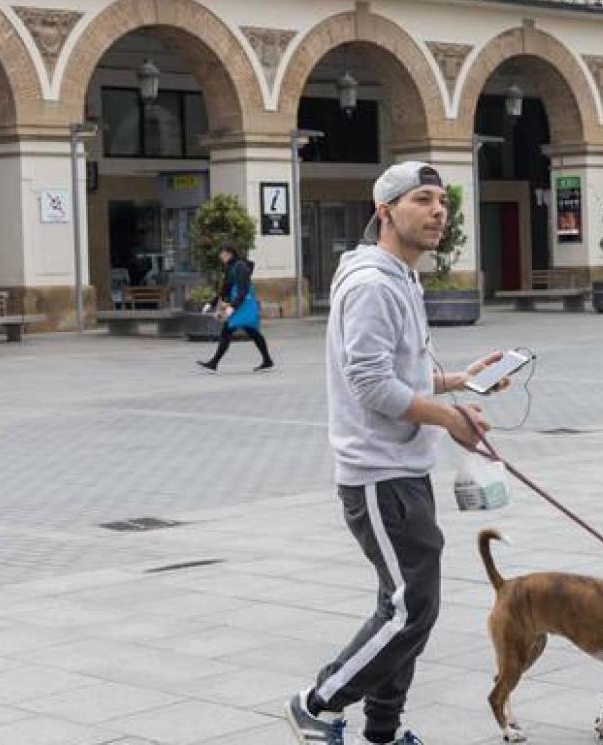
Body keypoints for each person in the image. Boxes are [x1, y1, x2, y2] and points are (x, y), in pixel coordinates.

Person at [284, 161, 503, 745]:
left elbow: (402, 371)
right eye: (422, 200)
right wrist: (451, 419)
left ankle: (382, 732)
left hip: (404, 471)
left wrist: (459, 381)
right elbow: (373, 386)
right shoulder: (374, 283)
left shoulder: (402, 277)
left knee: (406, 607)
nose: (438, 211)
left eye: (443, 202)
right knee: (411, 609)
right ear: (385, 212)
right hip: (377, 476)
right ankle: (317, 702)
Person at [197, 245, 273, 373]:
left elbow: (243, 289)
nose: (220, 257)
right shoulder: (230, 267)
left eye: (222, 254)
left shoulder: (240, 267)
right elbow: (225, 287)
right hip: (238, 303)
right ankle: (267, 360)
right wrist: (211, 303)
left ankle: (214, 363)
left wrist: (232, 307)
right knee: (252, 332)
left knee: (228, 332)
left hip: (242, 303)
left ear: (229, 254)